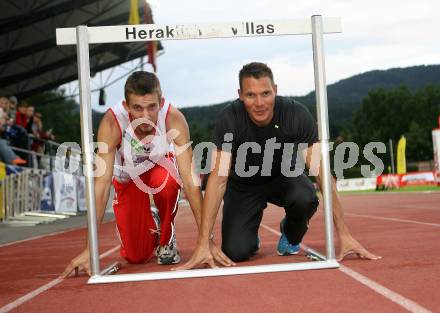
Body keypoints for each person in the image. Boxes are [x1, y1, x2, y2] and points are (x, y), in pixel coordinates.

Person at [178, 62, 380, 269]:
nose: (259, 102)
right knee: (236, 252)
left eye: (266, 93)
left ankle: (290, 231)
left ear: (275, 90)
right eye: (250, 95)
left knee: (305, 197)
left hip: (284, 176)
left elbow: (321, 174)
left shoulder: (296, 114)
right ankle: (249, 236)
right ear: (240, 95)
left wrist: (344, 234)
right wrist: (203, 242)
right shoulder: (229, 119)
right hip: (243, 185)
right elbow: (218, 179)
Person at [61, 71, 215, 277]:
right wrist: (91, 249)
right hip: (128, 177)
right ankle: (153, 222)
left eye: (152, 107)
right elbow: (101, 185)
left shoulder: (173, 118)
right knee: (136, 257)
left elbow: (190, 180)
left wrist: (207, 241)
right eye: (137, 108)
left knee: (168, 183)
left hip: (159, 169)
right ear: (126, 106)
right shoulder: (112, 123)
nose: (145, 116)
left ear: (160, 103)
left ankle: (166, 240)